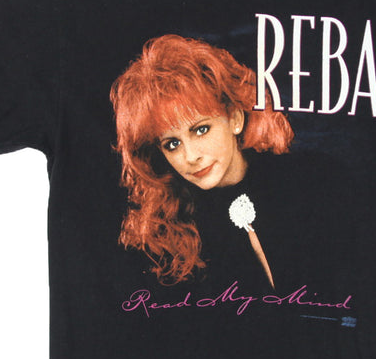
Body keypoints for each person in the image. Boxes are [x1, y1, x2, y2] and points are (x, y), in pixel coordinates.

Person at [110, 33, 358, 309]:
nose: (190, 157)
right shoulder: (164, 235)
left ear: (235, 118)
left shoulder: (315, 180)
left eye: (201, 129)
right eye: (172, 144)